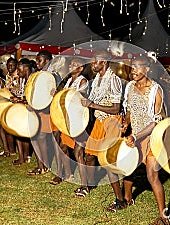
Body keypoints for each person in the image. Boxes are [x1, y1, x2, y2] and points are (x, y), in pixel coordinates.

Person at [107, 56, 170, 225]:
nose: (133, 70)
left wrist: (136, 136)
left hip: (151, 137)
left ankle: (163, 216)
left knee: (152, 175)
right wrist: (126, 122)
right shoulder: (130, 87)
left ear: (147, 69)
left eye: (137, 67)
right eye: (132, 67)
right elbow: (128, 109)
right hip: (133, 135)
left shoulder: (156, 90)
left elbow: (156, 121)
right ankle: (127, 200)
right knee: (128, 169)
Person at [77, 50, 123, 197]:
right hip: (99, 120)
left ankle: (119, 198)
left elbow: (116, 108)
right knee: (89, 155)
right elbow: (91, 100)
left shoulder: (114, 80)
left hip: (112, 122)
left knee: (106, 161)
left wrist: (92, 105)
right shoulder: (97, 79)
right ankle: (88, 186)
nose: (92, 64)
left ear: (103, 62)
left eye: (94, 61)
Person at [50, 57, 88, 185]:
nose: (71, 67)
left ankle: (84, 185)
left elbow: (79, 99)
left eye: (74, 65)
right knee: (63, 146)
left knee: (79, 151)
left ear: (81, 68)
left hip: (77, 119)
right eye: (70, 64)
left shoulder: (83, 81)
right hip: (67, 118)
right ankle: (66, 173)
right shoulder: (68, 81)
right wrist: (56, 94)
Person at [9, 58, 33, 166]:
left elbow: (33, 97)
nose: (17, 72)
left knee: (27, 135)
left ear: (26, 68)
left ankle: (27, 156)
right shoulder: (22, 80)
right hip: (22, 109)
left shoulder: (33, 79)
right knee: (18, 132)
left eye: (19, 69)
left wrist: (20, 99)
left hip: (33, 111)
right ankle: (21, 156)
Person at [0, 57, 18, 157]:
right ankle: (6, 149)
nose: (9, 67)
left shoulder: (19, 76)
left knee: (9, 128)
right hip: (7, 104)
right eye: (8, 65)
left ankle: (12, 150)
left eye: (12, 65)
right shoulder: (7, 76)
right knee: (1, 126)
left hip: (16, 105)